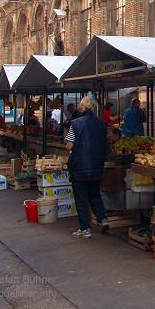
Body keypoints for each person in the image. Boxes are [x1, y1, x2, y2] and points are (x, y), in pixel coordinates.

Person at [66, 95, 108, 238]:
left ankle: (85, 228)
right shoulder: (101, 125)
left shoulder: (75, 124)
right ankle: (103, 219)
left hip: (80, 167)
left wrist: (68, 145)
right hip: (97, 166)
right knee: (95, 194)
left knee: (81, 197)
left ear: (81, 107)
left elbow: (70, 145)